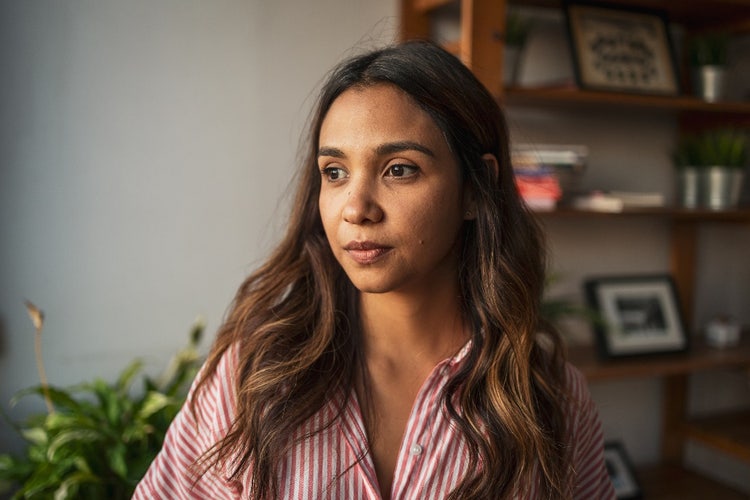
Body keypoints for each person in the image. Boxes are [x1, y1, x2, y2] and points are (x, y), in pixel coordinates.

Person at [134, 40, 615, 499]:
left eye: (399, 169)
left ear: (476, 189)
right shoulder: (250, 378)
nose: (356, 208)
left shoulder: (553, 400)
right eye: (335, 173)